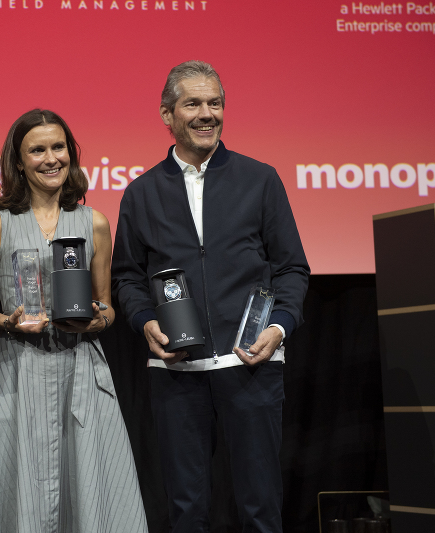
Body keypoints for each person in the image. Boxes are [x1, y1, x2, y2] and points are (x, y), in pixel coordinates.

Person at [111, 61, 310, 533]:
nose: (207, 114)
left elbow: (291, 268)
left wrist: (279, 326)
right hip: (177, 374)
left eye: (215, 103)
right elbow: (127, 278)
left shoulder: (260, 179)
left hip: (253, 365)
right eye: (193, 104)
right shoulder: (140, 193)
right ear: (167, 114)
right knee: (186, 511)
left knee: (261, 509)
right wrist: (144, 321)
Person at [0, 109, 148, 533]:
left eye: (58, 147)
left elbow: (107, 307)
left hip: (80, 370)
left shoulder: (94, 222)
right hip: (18, 370)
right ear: (18, 161)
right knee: (15, 489)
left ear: (70, 154)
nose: (50, 159)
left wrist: (93, 322)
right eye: (37, 150)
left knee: (89, 487)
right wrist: (6, 321)